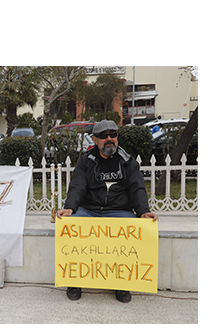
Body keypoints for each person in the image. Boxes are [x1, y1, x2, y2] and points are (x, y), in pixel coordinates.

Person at [57, 119, 158, 303]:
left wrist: (143, 211)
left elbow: (137, 188)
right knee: (71, 226)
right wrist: (70, 208)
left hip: (118, 210)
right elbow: (77, 186)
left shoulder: (128, 162)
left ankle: (122, 283)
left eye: (113, 135)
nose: (109, 139)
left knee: (134, 230)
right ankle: (74, 281)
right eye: (104, 136)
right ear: (95, 140)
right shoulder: (86, 161)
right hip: (90, 209)